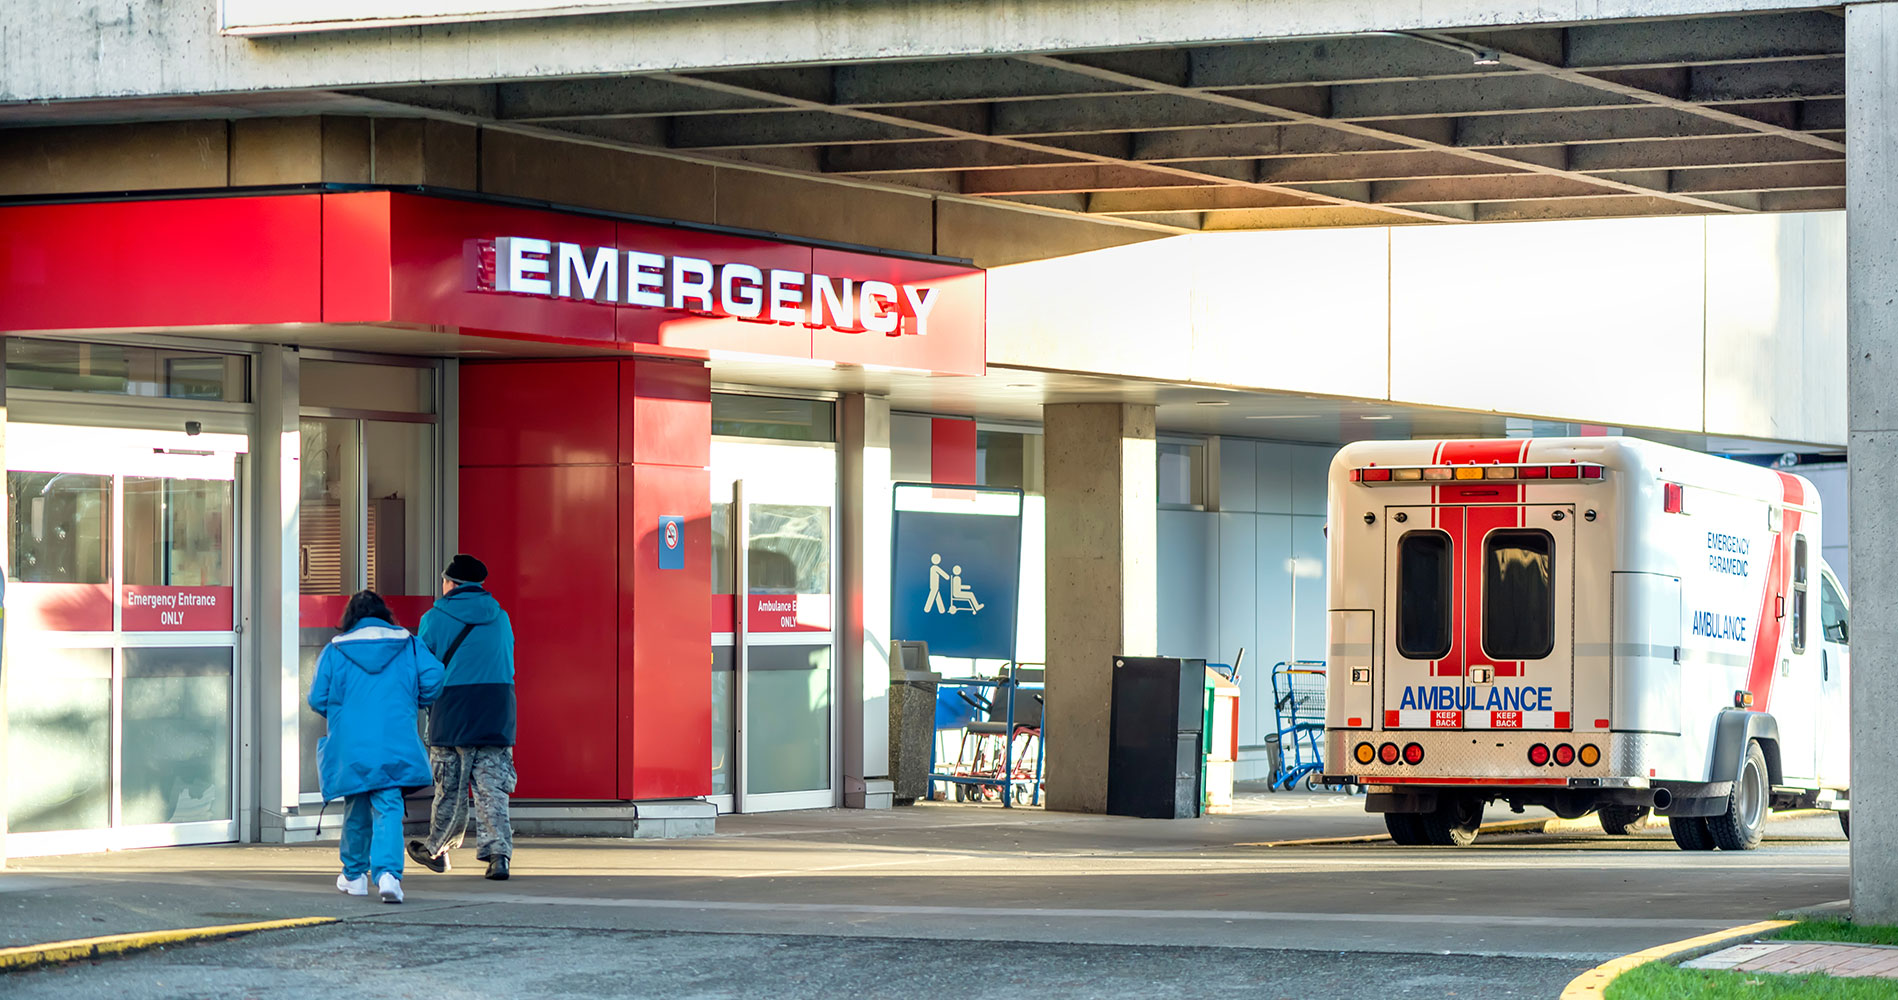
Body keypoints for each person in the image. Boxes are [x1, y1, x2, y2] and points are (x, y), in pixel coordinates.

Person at [308, 590, 443, 905]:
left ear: (351, 618)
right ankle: (387, 875)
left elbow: (317, 698)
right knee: (389, 806)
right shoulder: (409, 644)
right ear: (385, 615)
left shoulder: (335, 650)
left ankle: (354, 876)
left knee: (356, 803)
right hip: (395, 738)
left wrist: (343, 711)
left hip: (351, 743)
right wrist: (414, 699)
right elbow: (435, 676)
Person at [408, 554, 519, 881]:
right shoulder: (501, 617)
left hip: (452, 709)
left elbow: (424, 670)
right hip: (497, 710)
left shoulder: (433, 618)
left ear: (451, 584)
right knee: (492, 789)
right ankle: (499, 856)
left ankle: (438, 851)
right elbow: (509, 666)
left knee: (450, 787)